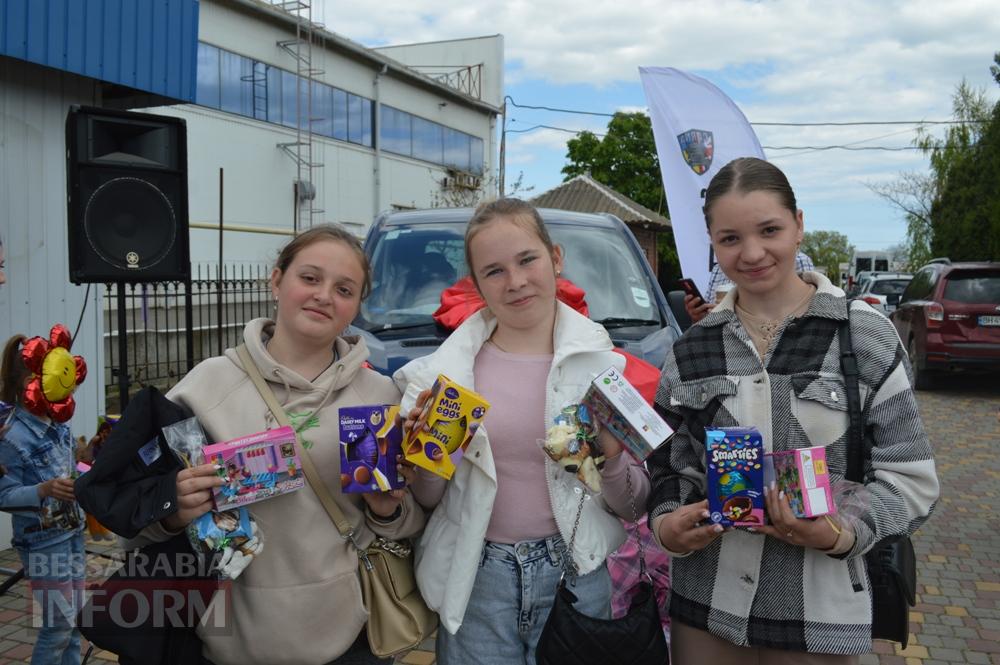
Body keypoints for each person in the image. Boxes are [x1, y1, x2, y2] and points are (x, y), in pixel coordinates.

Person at [647, 157, 938, 663]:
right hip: (706, 612)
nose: (753, 253)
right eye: (730, 238)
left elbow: (910, 478)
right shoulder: (690, 349)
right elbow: (669, 466)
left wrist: (841, 532)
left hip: (818, 619)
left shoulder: (861, 336)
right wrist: (667, 524)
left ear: (799, 225)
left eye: (770, 230)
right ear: (712, 243)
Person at [123, 225, 425, 665]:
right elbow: (134, 520)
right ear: (277, 279)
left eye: (344, 288)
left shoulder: (379, 396)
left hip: (348, 640)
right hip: (226, 641)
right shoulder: (204, 387)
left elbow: (410, 525)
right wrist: (174, 510)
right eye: (310, 277)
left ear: (358, 304)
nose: (324, 295)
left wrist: (386, 508)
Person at [393, 198, 651, 665]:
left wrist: (611, 457)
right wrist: (425, 458)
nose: (514, 282)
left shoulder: (605, 366)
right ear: (475, 283)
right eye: (493, 271)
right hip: (477, 577)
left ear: (555, 259)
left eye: (527, 259)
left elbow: (631, 506)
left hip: (576, 571)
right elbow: (431, 500)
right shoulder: (443, 376)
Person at [0, 334, 86, 665]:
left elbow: (67, 468)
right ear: (27, 383)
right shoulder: (10, 436)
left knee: (76, 621)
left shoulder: (58, 423)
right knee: (58, 627)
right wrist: (43, 490)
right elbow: (5, 495)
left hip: (72, 531)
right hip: (43, 542)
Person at [686, 250, 815, 323]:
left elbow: (807, 312)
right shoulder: (719, 269)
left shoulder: (798, 260)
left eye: (769, 230)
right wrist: (698, 317)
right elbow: (706, 319)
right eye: (730, 238)